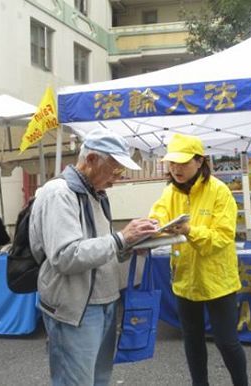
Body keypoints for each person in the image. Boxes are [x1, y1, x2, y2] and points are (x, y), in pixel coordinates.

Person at [29, 128, 159, 386]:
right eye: (114, 170)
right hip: (75, 307)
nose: (117, 179)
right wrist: (121, 239)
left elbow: (100, 246)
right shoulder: (60, 193)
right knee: (76, 381)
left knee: (99, 378)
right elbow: (65, 256)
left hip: (104, 301)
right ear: (90, 160)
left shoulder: (95, 193)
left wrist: (130, 246)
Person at [149, 133, 248, 386]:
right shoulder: (170, 191)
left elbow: (224, 236)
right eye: (172, 163)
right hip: (185, 279)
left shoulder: (219, 191)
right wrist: (152, 227)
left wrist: (190, 231)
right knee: (192, 341)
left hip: (218, 280)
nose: (176, 169)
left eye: (182, 163)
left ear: (200, 161)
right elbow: (158, 214)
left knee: (227, 342)